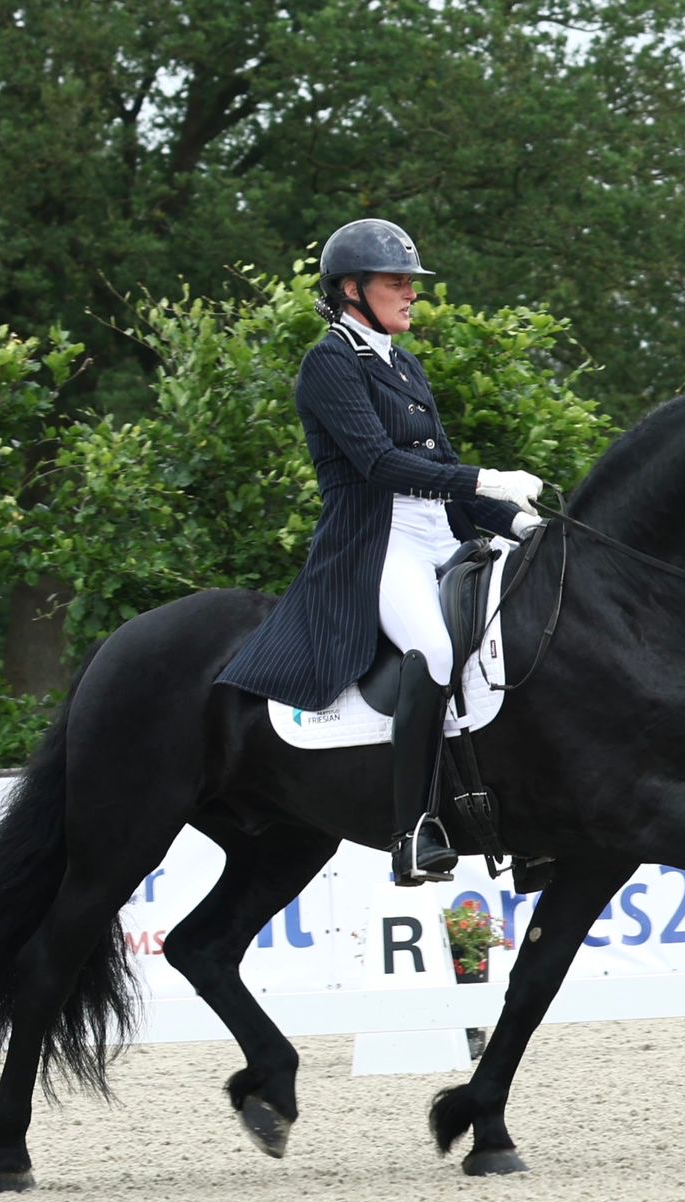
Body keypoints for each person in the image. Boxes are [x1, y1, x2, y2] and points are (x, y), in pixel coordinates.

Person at [216, 218, 544, 886]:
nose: (411, 293)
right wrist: (485, 478)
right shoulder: (330, 362)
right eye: (397, 282)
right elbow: (378, 463)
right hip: (377, 543)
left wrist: (518, 522)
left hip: (441, 537)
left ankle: (535, 817)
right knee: (436, 648)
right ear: (351, 289)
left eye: (410, 283)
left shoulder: (404, 363)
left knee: (513, 637)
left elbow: (442, 470)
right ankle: (414, 830)